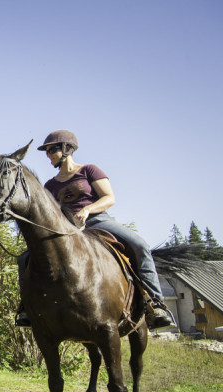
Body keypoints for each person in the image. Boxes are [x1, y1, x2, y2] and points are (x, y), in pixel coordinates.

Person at [15, 130, 173, 330]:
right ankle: (27, 308)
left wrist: (87, 209)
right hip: (68, 229)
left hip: (98, 221)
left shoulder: (89, 170)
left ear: (67, 149)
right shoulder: (50, 185)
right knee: (24, 258)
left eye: (52, 150)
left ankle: (156, 305)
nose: (48, 155)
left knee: (140, 246)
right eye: (46, 152)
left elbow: (109, 198)